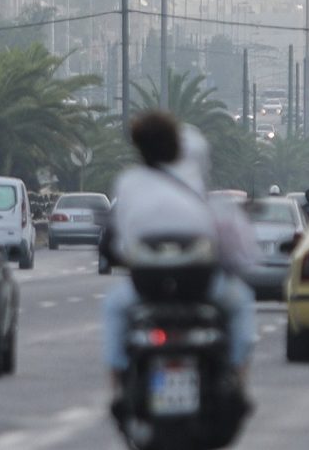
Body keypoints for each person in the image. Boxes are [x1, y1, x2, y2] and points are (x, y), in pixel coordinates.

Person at [102, 111, 259, 407]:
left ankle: (116, 387)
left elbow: (121, 244)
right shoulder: (194, 186)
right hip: (198, 286)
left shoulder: (128, 183)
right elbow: (230, 247)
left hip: (146, 287)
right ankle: (239, 378)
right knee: (239, 303)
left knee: (113, 307)